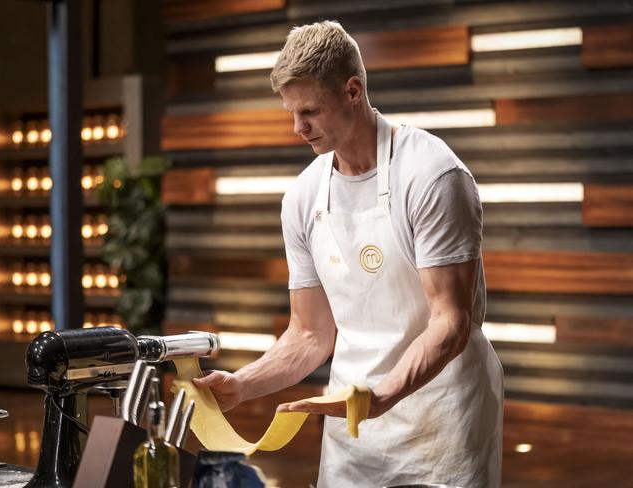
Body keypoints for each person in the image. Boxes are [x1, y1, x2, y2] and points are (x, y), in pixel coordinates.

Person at [193, 20, 504, 488]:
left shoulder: (432, 175)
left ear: (353, 91)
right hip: (351, 419)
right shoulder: (302, 197)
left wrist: (382, 394)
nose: (298, 128)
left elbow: (450, 321)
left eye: (311, 111)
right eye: (292, 113)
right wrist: (241, 385)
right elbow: (310, 333)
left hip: (440, 417)